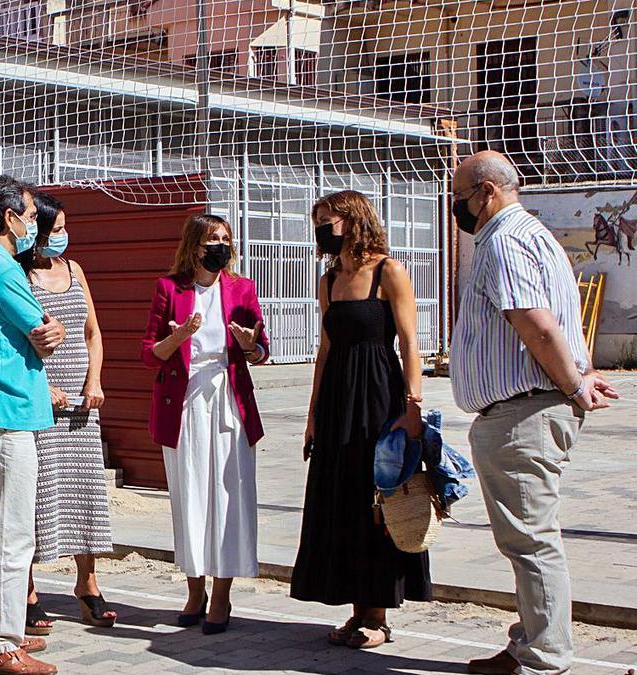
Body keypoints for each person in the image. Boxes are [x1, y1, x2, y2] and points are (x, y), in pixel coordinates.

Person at [449, 151, 619, 675]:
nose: (456, 207)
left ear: (486, 193)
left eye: (459, 197)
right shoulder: (535, 236)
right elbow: (561, 321)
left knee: (531, 541)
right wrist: (581, 373)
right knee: (528, 538)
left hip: (524, 413)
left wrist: (573, 381)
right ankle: (530, 641)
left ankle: (543, 657)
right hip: (526, 410)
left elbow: (538, 324)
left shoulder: (503, 240)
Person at [289, 190, 431, 649]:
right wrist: (312, 415)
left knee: (378, 501)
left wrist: (414, 407)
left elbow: (410, 343)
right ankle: (356, 610)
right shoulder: (328, 279)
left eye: (327, 221)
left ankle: (378, 615)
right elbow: (324, 350)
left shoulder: (389, 271)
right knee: (344, 498)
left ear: (352, 221)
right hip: (337, 402)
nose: (321, 230)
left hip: (378, 396)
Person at [139, 213, 270, 635]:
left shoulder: (242, 288)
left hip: (229, 402)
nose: (220, 245)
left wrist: (252, 346)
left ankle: (222, 595)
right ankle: (194, 589)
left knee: (229, 497)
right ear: (194, 245)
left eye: (226, 238)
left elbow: (260, 348)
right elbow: (149, 354)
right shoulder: (169, 288)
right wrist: (179, 337)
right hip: (184, 403)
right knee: (190, 497)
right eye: (212, 237)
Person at [0, 175, 66, 675]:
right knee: (11, 534)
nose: (34, 224)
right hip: (4, 410)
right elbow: (44, 329)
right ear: (9, 218)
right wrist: (53, 331)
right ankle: (1, 645)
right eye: (28, 214)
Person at [17, 191, 116, 635]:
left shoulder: (75, 270)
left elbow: (92, 333)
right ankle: (29, 591)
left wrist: (93, 381)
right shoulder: (18, 275)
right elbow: (13, 344)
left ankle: (88, 584)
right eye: (56, 230)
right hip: (41, 407)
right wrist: (43, 387)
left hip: (81, 408)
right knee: (39, 496)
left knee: (86, 491)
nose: (63, 237)